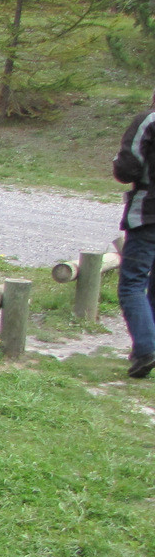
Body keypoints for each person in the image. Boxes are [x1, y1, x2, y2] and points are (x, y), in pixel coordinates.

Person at [113, 87, 155, 378]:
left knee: (132, 284)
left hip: (149, 213)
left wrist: (117, 164)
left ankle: (146, 349)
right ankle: (148, 344)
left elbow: (128, 168)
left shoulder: (148, 121)